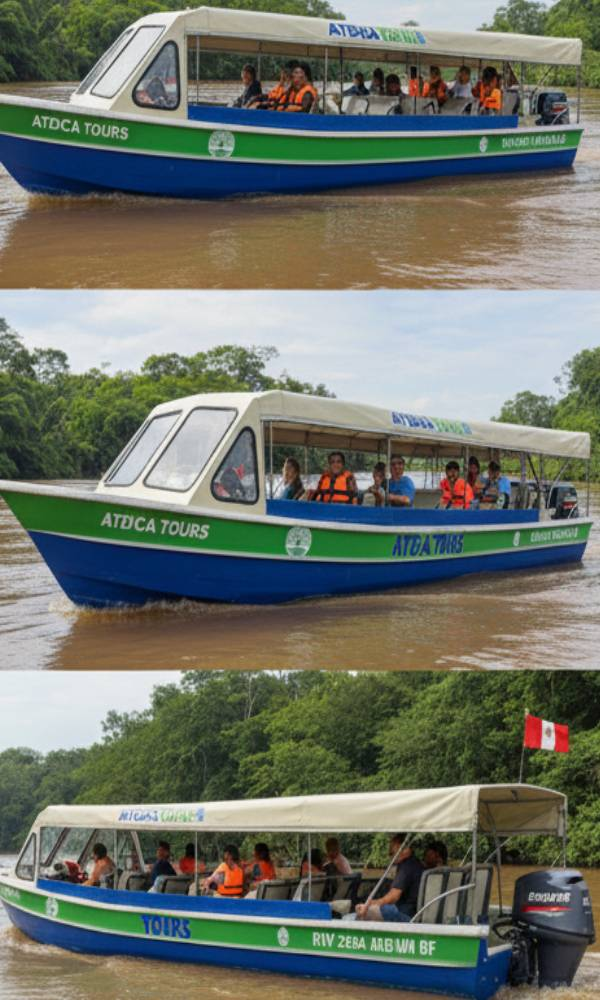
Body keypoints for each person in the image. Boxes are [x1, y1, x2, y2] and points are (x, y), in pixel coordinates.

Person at [356, 840, 423, 922]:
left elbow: (393, 897)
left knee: (382, 909)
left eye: (392, 851)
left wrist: (370, 904)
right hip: (413, 911)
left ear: (405, 849)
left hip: (406, 914)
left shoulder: (407, 867)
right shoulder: (416, 863)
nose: (390, 854)